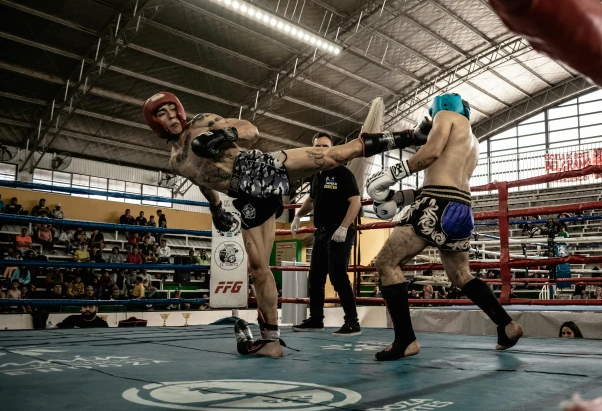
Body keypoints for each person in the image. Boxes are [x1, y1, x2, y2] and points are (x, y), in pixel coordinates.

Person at [144, 91, 425, 357]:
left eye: (172, 109)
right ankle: (270, 342)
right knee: (258, 269)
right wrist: (216, 208)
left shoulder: (203, 123)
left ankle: (412, 135)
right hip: (245, 197)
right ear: (155, 123)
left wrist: (221, 135)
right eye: (162, 113)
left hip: (259, 169)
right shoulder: (175, 162)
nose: (171, 116)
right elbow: (202, 182)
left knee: (334, 156)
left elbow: (250, 130)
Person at [367, 93, 523, 361]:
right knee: (462, 275)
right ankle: (507, 325)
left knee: (386, 263)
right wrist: (402, 197)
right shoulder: (473, 139)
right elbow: (446, 176)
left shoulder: (445, 117)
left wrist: (391, 173)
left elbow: (432, 153)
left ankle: (405, 340)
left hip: (437, 202)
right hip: (462, 208)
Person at [291, 133, 362, 336]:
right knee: (315, 277)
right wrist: (297, 215)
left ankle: (353, 322)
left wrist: (343, 227)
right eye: (318, 146)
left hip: (340, 230)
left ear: (331, 148)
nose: (321, 149)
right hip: (321, 232)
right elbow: (311, 200)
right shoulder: (317, 175)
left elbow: (355, 202)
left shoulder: (342, 173)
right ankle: (316, 319)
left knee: (338, 276)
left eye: (325, 146)